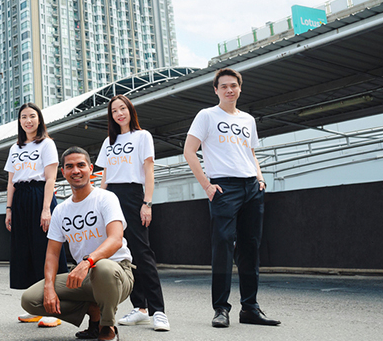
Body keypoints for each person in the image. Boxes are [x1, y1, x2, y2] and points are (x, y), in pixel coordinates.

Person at [183, 68, 281, 328]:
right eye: (224, 86)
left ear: (240, 88)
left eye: (233, 85)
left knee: (250, 248)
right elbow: (189, 151)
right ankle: (221, 309)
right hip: (224, 188)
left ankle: (250, 308)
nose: (229, 90)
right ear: (216, 90)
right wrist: (207, 185)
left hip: (251, 187)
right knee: (223, 246)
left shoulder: (248, 119)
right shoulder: (207, 115)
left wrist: (260, 179)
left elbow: (250, 153)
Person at [21, 147, 134, 341]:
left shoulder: (105, 198)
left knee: (103, 267)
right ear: (63, 172)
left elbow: (115, 239)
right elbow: (52, 254)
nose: (76, 170)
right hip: (83, 275)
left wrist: (87, 262)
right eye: (69, 166)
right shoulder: (60, 210)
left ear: (91, 169)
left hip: (117, 272)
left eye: (81, 165)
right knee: (31, 299)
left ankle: (107, 326)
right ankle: (93, 311)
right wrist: (49, 287)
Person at [95, 95, 170, 331]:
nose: (119, 113)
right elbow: (105, 176)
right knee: (123, 253)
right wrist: (98, 200)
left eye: (122, 108)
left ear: (130, 110)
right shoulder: (108, 142)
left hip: (133, 194)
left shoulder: (142, 136)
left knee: (142, 252)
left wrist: (147, 202)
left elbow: (149, 170)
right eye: (114, 111)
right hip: (111, 196)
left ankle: (158, 311)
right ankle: (140, 308)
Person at [4, 103, 67, 328]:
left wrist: (46, 208)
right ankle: (36, 307)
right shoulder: (15, 148)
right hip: (20, 198)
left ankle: (55, 308)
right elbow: (11, 182)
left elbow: (50, 178)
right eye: (23, 117)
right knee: (26, 251)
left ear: (39, 119)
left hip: (40, 195)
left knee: (45, 249)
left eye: (32, 116)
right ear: (19, 121)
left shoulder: (47, 144)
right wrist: (9, 209)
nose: (28, 120)